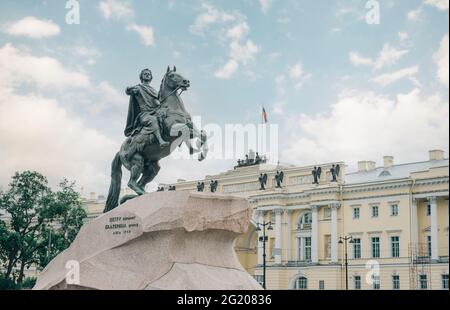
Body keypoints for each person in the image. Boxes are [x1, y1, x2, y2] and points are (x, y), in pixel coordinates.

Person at [124, 68, 169, 148]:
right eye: (145, 74)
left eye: (149, 74)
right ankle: (160, 141)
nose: (147, 75)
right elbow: (128, 91)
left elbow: (159, 101)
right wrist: (129, 89)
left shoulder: (154, 90)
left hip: (156, 111)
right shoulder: (138, 88)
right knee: (153, 120)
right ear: (141, 77)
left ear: (151, 77)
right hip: (145, 114)